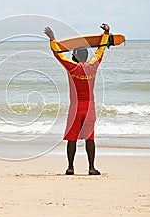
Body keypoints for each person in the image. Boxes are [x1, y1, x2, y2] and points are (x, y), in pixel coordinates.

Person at [44, 23, 110, 175]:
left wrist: (52, 39)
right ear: (86, 56)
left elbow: (58, 54)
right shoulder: (93, 65)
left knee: (72, 137)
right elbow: (101, 51)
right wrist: (106, 33)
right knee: (90, 138)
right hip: (90, 108)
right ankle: (92, 168)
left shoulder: (71, 66)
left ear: (74, 56)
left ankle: (70, 167)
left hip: (76, 108)